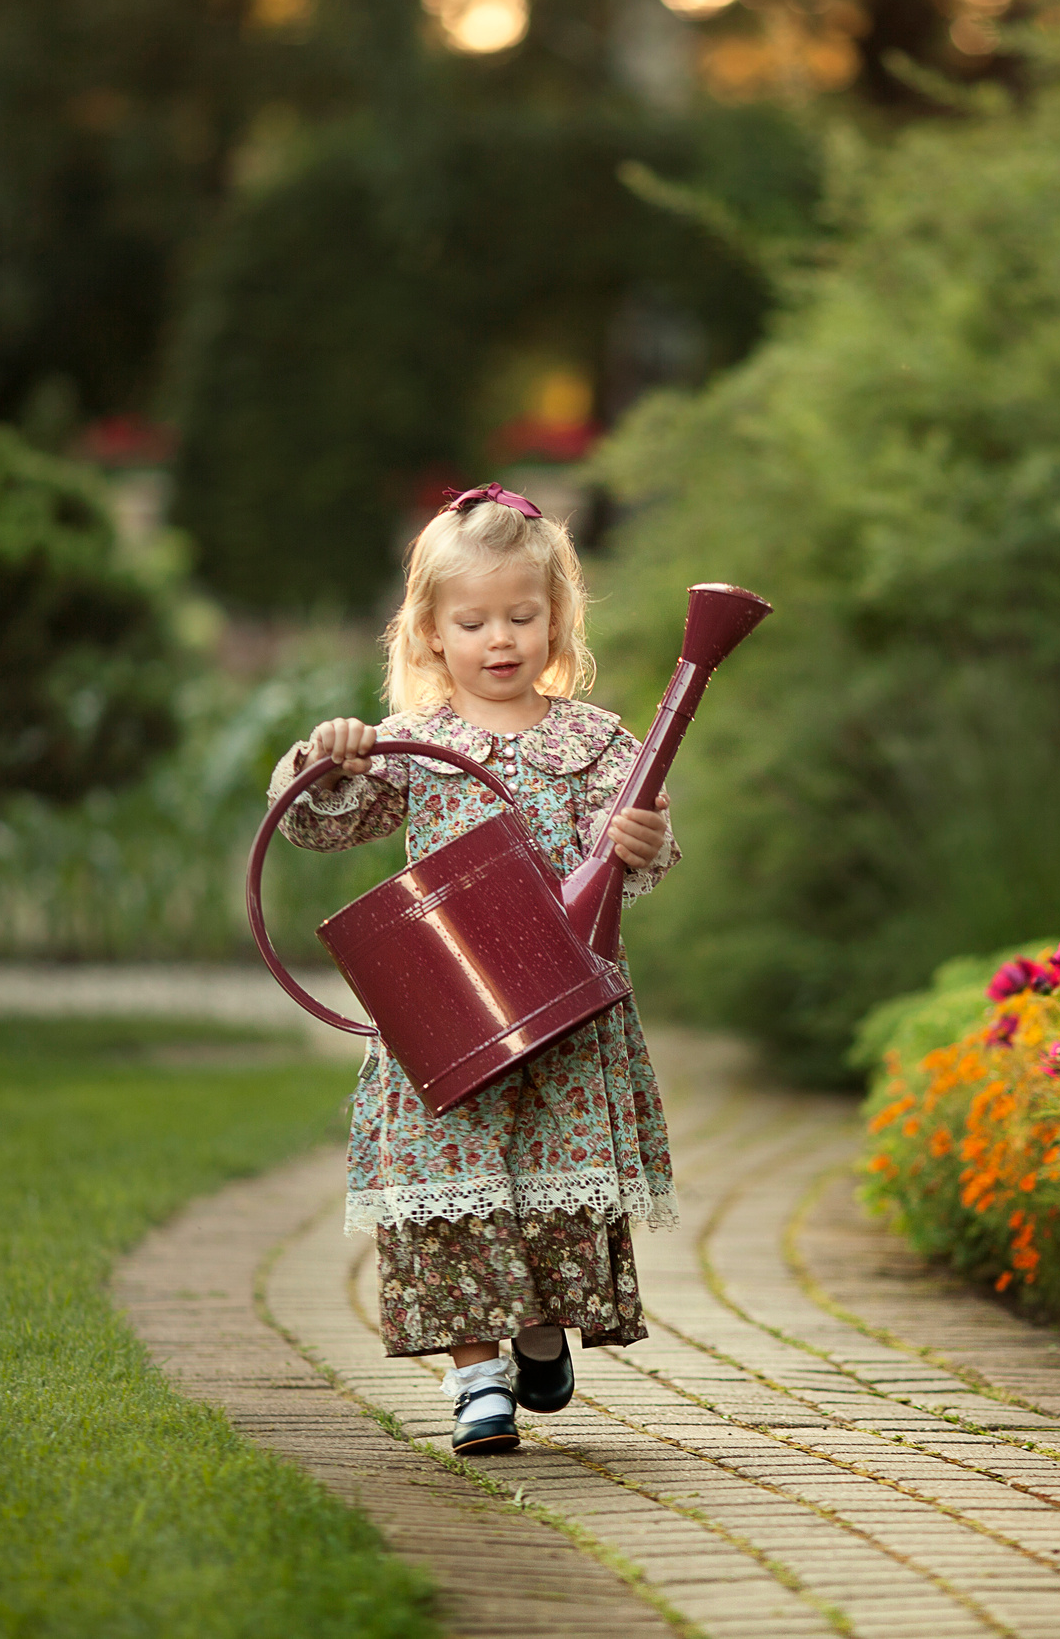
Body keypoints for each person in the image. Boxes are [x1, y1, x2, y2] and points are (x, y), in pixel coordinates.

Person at [267, 483, 678, 1455]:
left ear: (557, 620)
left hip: (558, 1013)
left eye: (522, 616)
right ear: (429, 635)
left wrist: (638, 838)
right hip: (450, 1012)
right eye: (473, 620)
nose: (500, 639)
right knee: (445, 1187)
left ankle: (539, 1332)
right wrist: (327, 760)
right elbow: (317, 827)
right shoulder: (416, 750)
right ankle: (478, 1382)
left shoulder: (594, 742)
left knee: (545, 1189)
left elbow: (632, 867)